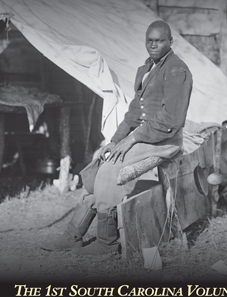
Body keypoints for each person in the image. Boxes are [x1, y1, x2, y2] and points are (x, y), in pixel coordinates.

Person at [39, 20, 193, 256]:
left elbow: (171, 120)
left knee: (111, 171)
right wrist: (114, 140)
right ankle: (72, 236)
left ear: (170, 42)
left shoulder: (176, 70)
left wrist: (132, 140)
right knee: (98, 166)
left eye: (159, 40)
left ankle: (107, 243)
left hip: (164, 141)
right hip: (144, 137)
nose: (153, 45)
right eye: (149, 41)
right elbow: (133, 113)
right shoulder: (146, 68)